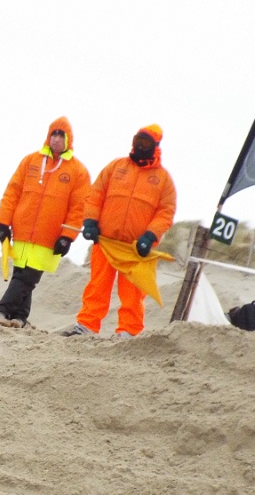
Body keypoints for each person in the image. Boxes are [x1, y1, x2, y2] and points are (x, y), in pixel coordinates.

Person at [62, 124, 177, 338]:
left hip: (136, 250)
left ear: (156, 147)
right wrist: (89, 222)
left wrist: (150, 236)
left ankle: (128, 332)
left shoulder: (163, 179)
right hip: (105, 242)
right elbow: (95, 195)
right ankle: (86, 326)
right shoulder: (115, 167)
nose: (140, 147)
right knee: (97, 287)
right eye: (138, 141)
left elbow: (166, 212)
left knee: (133, 293)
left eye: (146, 143)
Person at [0, 116, 90, 327]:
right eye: (53, 134)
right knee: (22, 275)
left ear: (68, 139)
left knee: (28, 277)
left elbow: (78, 207)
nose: (56, 139)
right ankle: (19, 317)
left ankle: (2, 310)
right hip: (22, 230)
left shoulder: (78, 171)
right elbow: (12, 192)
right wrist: (3, 222)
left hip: (50, 236)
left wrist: (68, 236)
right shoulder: (31, 161)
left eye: (60, 135)